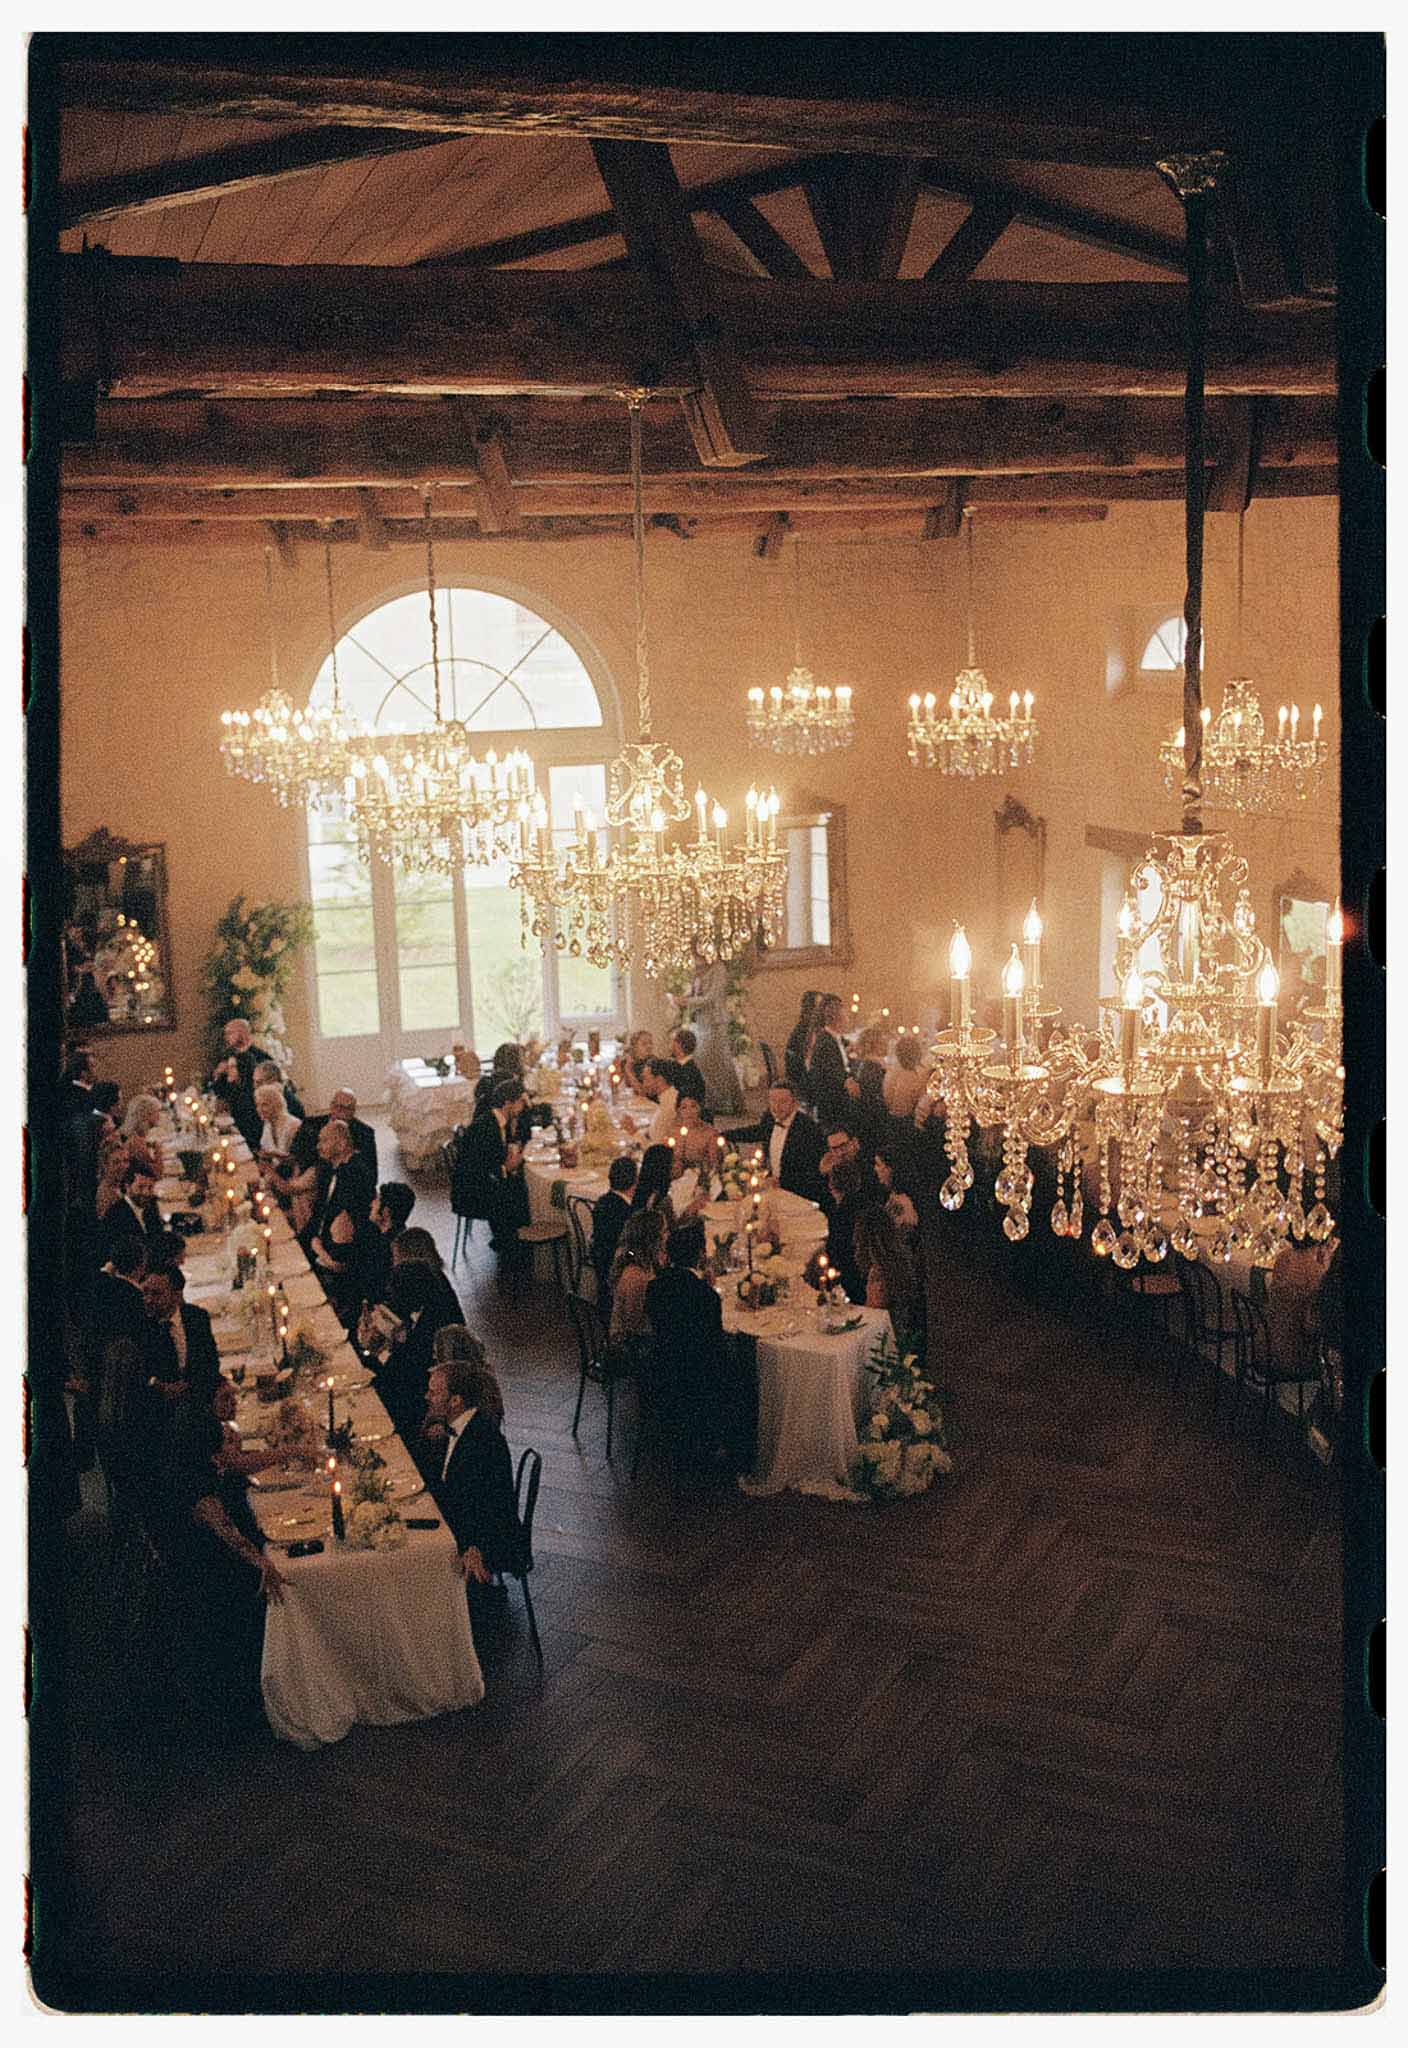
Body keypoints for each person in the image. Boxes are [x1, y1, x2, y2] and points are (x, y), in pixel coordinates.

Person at [426, 1354, 523, 1636]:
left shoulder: (482, 1441)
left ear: (456, 1401)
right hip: (467, 1522)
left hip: (490, 1536)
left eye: (434, 1392)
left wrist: (474, 1546)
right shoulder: (459, 1426)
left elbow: (489, 1506)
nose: (427, 1396)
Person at [644, 1216, 751, 1469]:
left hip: (663, 1368)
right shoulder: (706, 1297)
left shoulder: (655, 1287)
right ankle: (735, 1448)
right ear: (701, 1255)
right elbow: (714, 1347)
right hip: (698, 1376)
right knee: (746, 1373)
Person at [364, 1256, 464, 1446]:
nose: (391, 1298)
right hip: (414, 1384)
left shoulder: (435, 1327)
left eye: (395, 1293)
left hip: (422, 1401)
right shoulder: (429, 1298)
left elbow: (403, 1371)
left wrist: (373, 1352)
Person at [306, 1118, 375, 1326]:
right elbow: (320, 1211)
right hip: (320, 1244)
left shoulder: (356, 1174)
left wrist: (317, 1248)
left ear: (342, 1144)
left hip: (339, 1261)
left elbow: (344, 1242)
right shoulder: (330, 1170)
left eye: (323, 1141)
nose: (318, 1146)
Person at [457, 1080, 532, 1272]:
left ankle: (513, 1244)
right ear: (508, 1103)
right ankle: (515, 1252)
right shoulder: (485, 1127)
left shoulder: (499, 1121)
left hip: (484, 1181)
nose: (524, 1106)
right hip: (472, 1192)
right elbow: (477, 1170)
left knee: (520, 1188)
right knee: (519, 1194)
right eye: (520, 1102)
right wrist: (507, 1167)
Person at [732, 1081, 826, 1206]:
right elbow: (757, 1131)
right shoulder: (770, 1117)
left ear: (795, 1104)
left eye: (783, 1102)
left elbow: (812, 1171)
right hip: (775, 1189)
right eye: (773, 1101)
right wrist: (723, 1135)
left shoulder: (809, 1129)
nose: (776, 1106)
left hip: (801, 1195)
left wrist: (781, 1182)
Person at [140, 1262, 222, 1399]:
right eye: (145, 1292)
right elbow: (139, 1375)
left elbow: (210, 1362)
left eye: (156, 1294)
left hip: (197, 1400)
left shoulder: (196, 1317)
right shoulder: (140, 1326)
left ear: (176, 1295)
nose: (148, 1300)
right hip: (158, 1406)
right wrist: (160, 1386)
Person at [854, 1201, 924, 1350]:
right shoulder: (901, 1260)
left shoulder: (878, 1275)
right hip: (910, 1335)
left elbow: (871, 1316)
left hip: (887, 1340)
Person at [608, 1208, 669, 1352]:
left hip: (641, 1336)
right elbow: (634, 1327)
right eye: (665, 1231)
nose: (668, 1234)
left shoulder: (636, 1255)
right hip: (630, 1349)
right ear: (653, 1238)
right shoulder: (636, 1275)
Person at [357, 1180, 417, 1320]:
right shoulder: (396, 1236)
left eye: (376, 1200)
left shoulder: (386, 1249)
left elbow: (372, 1290)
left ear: (386, 1212)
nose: (371, 1204)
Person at [208, 1017, 270, 1152]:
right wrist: (218, 1075)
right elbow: (219, 1091)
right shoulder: (227, 1056)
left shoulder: (262, 1058)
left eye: (230, 1033)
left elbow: (254, 1092)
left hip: (253, 1118)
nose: (226, 1037)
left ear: (242, 1034)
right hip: (234, 1116)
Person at [590, 1155, 637, 1309]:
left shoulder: (602, 1201)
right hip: (617, 1269)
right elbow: (628, 1251)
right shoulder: (627, 1213)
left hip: (601, 1264)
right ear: (635, 1181)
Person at [824, 1156, 869, 1304]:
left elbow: (836, 1253)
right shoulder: (866, 1205)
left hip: (851, 1285)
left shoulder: (840, 1215)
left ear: (831, 1186)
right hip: (865, 1276)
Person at [806, 994, 852, 1130]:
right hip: (831, 1105)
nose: (848, 1020)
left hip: (830, 1097)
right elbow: (834, 1076)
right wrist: (849, 1081)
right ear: (838, 1021)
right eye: (846, 1017)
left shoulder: (830, 1037)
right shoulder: (826, 1043)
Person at [848, 1026, 890, 1156]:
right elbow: (876, 1098)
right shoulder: (876, 1068)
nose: (887, 1044)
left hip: (859, 1122)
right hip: (873, 1124)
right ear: (875, 1044)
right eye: (883, 1041)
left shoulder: (858, 1064)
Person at [784, 991, 821, 1102]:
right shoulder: (805, 1029)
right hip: (802, 1079)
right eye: (820, 1005)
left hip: (802, 1074)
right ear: (810, 1008)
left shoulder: (807, 1024)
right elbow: (810, 1056)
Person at [254, 1081, 301, 1163]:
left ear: (276, 1104)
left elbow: (299, 1159)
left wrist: (275, 1155)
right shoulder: (268, 1123)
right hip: (274, 1171)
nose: (259, 1109)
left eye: (264, 1105)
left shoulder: (293, 1125)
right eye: (257, 1105)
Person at [120, 1094, 166, 1177]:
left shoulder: (134, 1135)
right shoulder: (136, 1141)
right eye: (156, 1112)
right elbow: (157, 1173)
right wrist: (158, 1151)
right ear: (146, 1115)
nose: (159, 1115)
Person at [668, 1028, 709, 1121]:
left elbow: (683, 1100)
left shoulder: (689, 1071)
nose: (669, 1044)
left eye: (671, 1041)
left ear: (679, 1045)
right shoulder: (677, 1065)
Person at [629, 1143, 677, 1219]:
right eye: (673, 1161)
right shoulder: (658, 1197)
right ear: (663, 1166)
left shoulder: (640, 1191)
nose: (675, 1165)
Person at [640, 1058, 682, 1146]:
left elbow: (655, 1149)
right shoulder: (670, 1096)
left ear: (659, 1080)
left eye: (646, 1079)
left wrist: (633, 1132)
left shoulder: (668, 1107)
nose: (644, 1084)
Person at [252, 1058, 306, 1122]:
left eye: (259, 1082)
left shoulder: (290, 1104)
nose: (254, 1086)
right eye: (254, 1081)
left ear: (272, 1081)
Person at [620, 1030, 654, 1096]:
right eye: (644, 1043)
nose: (649, 1046)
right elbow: (621, 1087)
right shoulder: (624, 1062)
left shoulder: (653, 1062)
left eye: (651, 1043)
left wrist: (628, 1070)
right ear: (634, 1047)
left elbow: (642, 1092)